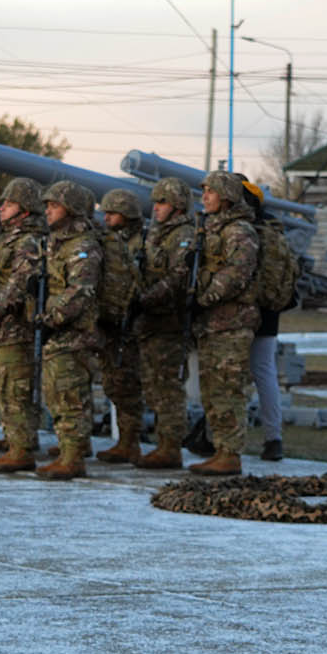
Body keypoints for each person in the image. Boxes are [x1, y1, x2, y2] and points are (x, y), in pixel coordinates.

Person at [189, 170, 259, 476]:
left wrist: (203, 297)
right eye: (203, 190)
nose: (204, 196)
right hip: (212, 324)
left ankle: (230, 453)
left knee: (228, 388)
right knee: (212, 388)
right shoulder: (209, 229)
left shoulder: (239, 231)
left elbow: (237, 273)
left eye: (211, 191)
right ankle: (219, 448)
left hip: (232, 322)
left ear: (227, 197)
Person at [34, 181, 102, 480]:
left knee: (69, 394)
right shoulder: (57, 243)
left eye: (54, 205)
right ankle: (68, 451)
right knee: (58, 392)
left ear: (70, 209)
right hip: (59, 330)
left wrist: (49, 318)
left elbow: (80, 290)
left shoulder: (83, 246)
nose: (48, 210)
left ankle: (73, 458)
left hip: (73, 332)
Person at [0, 177, 48, 472]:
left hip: (15, 325)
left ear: (25, 209)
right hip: (2, 326)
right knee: (4, 388)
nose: (2, 208)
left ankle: (21, 448)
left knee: (15, 389)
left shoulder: (27, 241)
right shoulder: (7, 237)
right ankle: (16, 440)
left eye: (9, 204)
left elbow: (19, 281)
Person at [132, 177, 196, 470]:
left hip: (170, 321)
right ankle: (162, 443)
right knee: (154, 384)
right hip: (152, 322)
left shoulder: (184, 235)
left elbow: (178, 277)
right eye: (154, 202)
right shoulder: (156, 233)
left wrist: (145, 299)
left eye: (162, 202)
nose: (155, 208)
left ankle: (170, 447)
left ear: (178, 206)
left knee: (167, 386)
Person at [93, 188, 146, 463]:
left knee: (127, 384)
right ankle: (125, 441)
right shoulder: (109, 242)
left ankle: (131, 441)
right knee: (113, 383)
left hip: (134, 324)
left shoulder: (142, 242)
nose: (106, 217)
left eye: (112, 213)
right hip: (111, 321)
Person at [243, 181, 285, 462]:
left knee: (229, 376)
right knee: (265, 374)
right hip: (270, 312)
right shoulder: (273, 229)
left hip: (245, 312)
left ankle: (218, 438)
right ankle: (274, 438)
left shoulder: (246, 232)